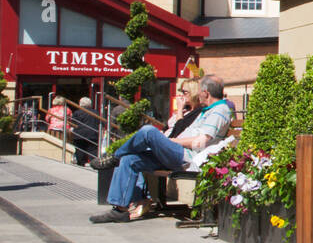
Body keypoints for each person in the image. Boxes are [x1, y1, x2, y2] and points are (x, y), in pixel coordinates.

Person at [87, 76, 233, 224]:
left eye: (199, 91)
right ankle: (119, 210)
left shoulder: (219, 111)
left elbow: (200, 142)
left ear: (205, 93)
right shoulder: (207, 110)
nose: (197, 94)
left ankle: (114, 156)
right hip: (177, 153)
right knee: (129, 159)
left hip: (186, 157)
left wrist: (168, 142)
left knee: (148, 131)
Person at [70, 97, 99, 166]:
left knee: (80, 149)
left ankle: (81, 163)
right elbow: (99, 123)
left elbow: (73, 123)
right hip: (92, 133)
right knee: (93, 150)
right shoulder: (95, 112)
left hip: (79, 134)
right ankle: (94, 164)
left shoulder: (77, 112)